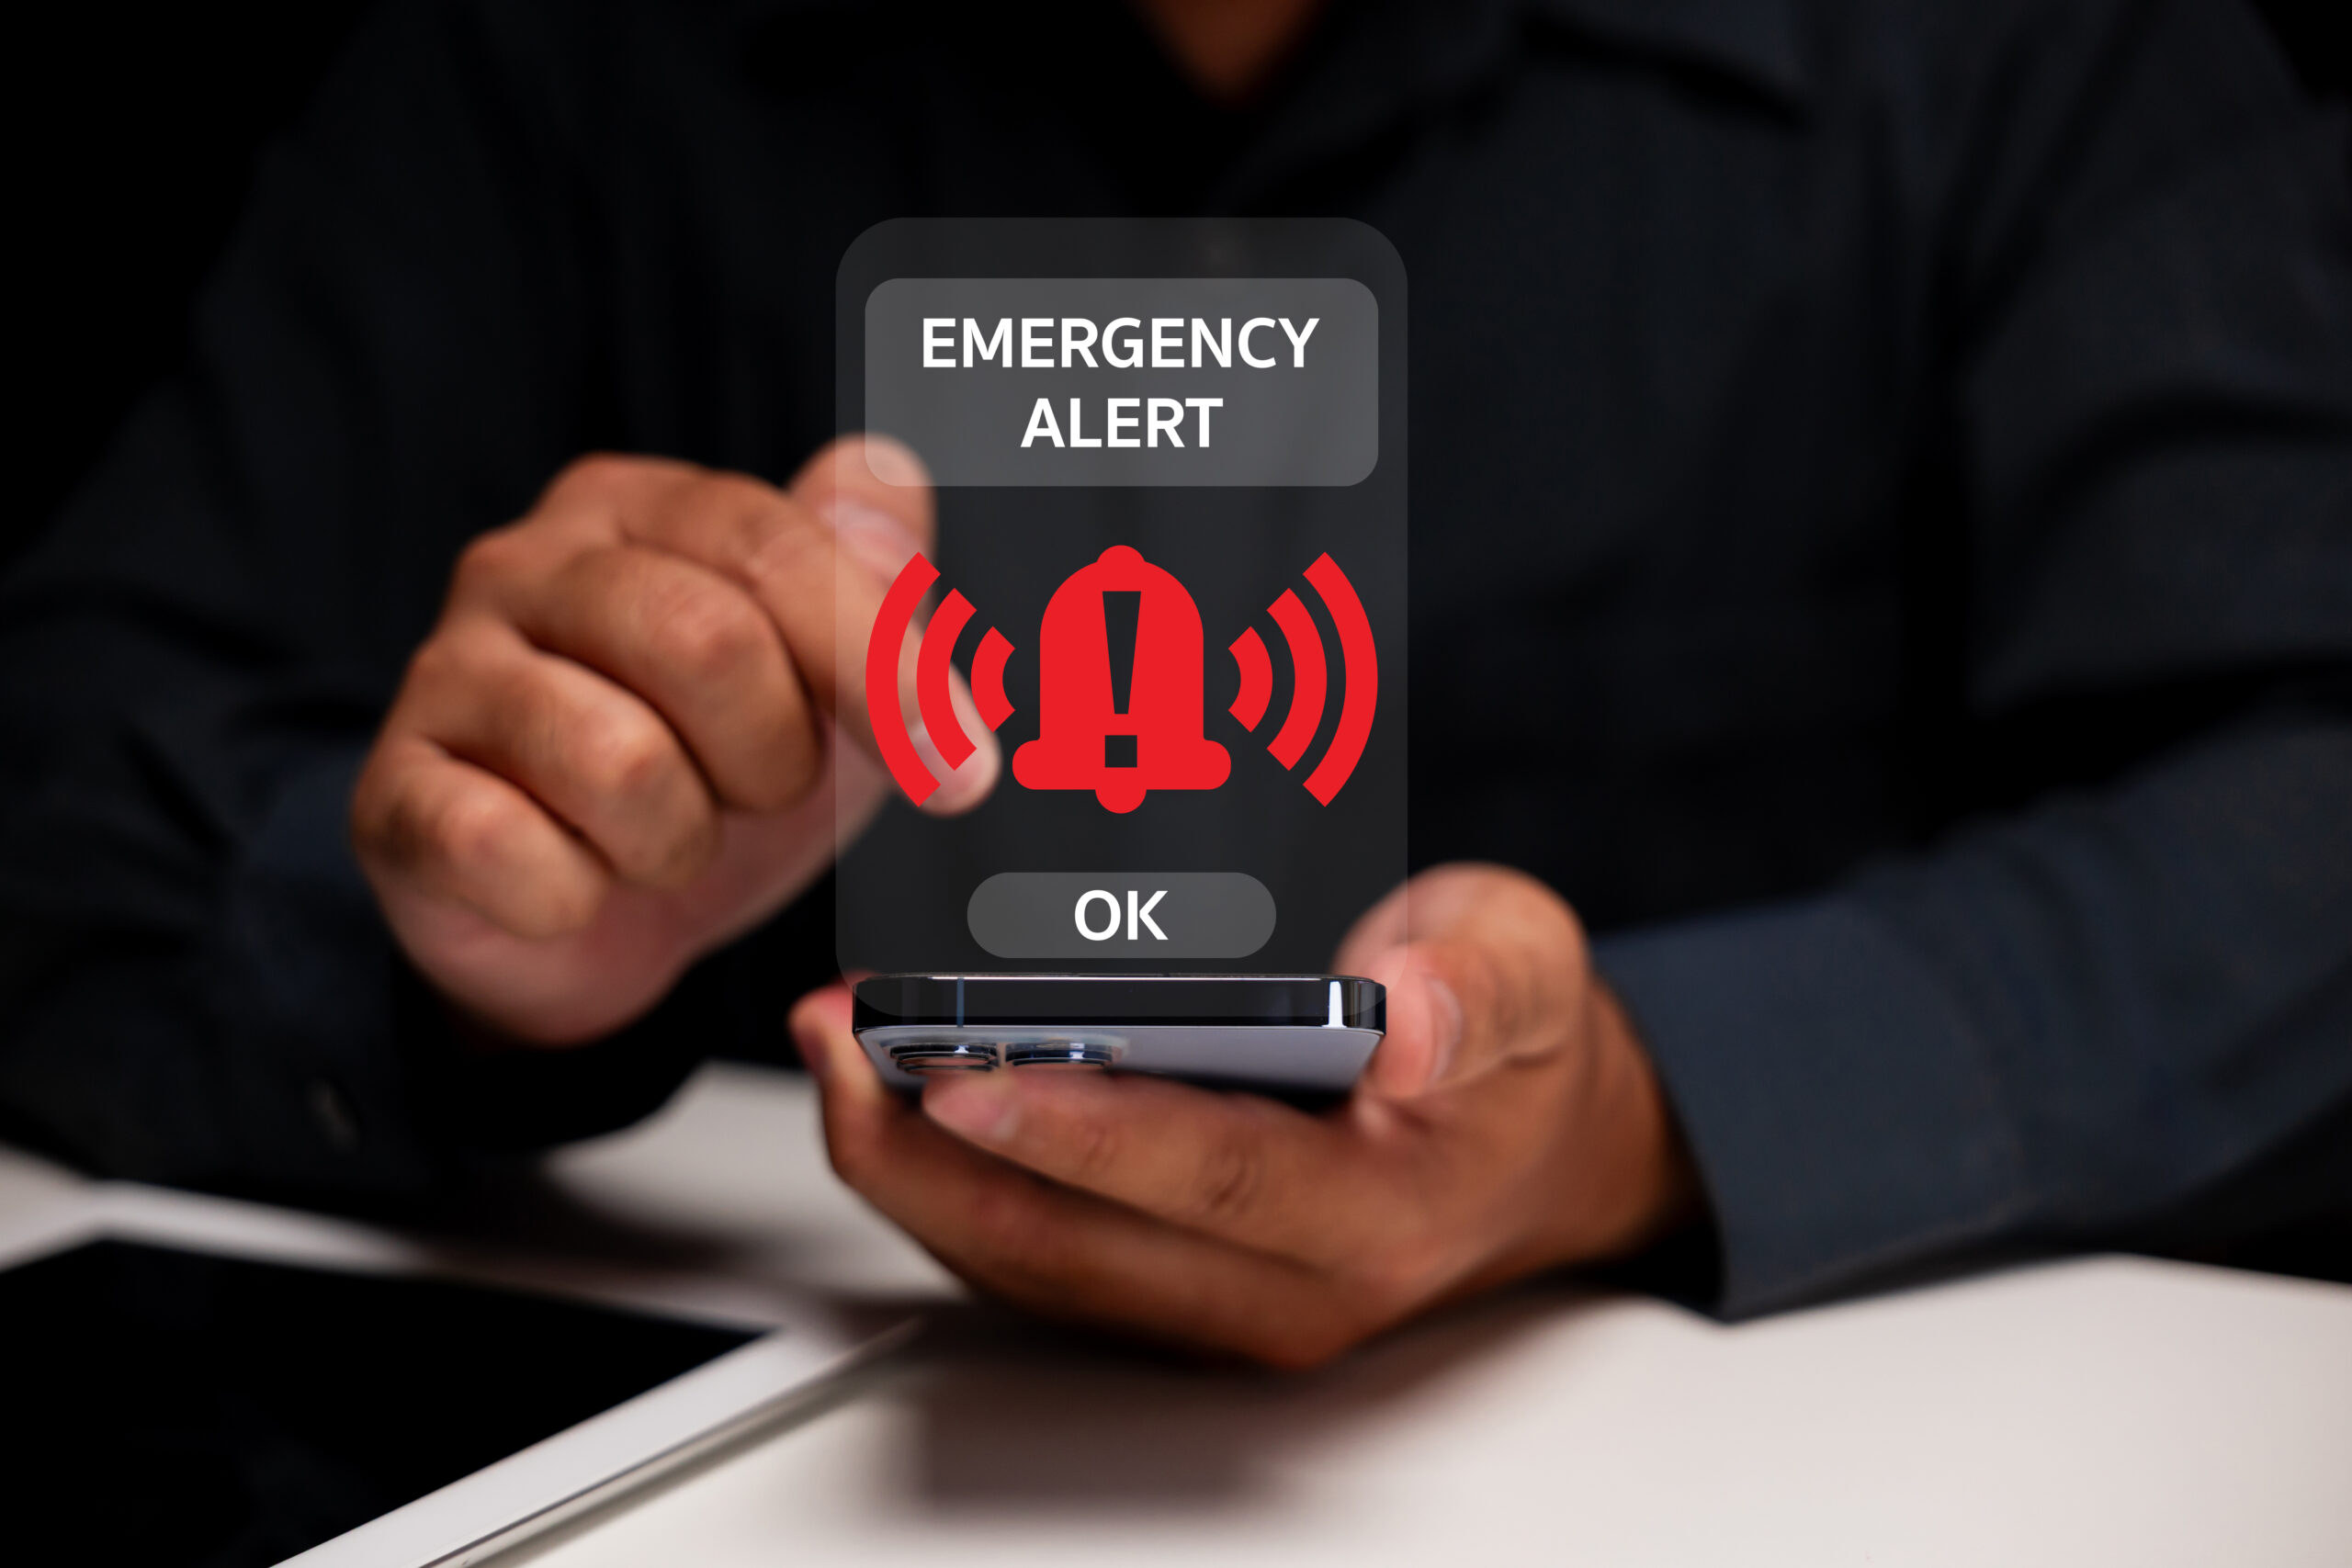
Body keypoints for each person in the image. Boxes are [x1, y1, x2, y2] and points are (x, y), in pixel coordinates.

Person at [2, 0, 2347, 1367]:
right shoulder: (554, 65)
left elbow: (2302, 822)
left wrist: (1628, 1117)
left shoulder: (2031, 54)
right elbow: (60, 769)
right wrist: (467, 928)